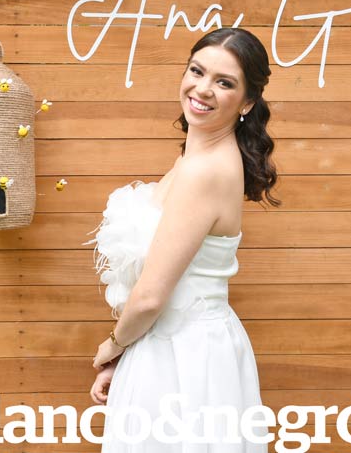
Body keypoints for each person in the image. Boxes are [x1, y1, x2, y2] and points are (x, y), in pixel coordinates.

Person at [83, 27, 281, 451]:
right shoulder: (196, 157)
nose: (202, 88)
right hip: (171, 345)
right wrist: (127, 354)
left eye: (224, 82)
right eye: (197, 71)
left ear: (247, 102)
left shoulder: (204, 171)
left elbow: (151, 296)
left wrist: (112, 346)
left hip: (183, 357)